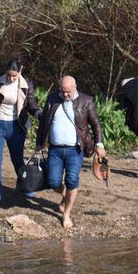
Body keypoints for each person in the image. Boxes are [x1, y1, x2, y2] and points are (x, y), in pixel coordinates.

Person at [33, 76, 106, 229]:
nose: (65, 94)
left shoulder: (86, 101)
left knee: (72, 180)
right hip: (55, 149)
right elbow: (44, 122)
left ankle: (66, 214)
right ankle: (67, 196)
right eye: (62, 91)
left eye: (68, 92)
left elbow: (96, 124)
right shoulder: (52, 98)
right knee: (53, 181)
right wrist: (39, 144)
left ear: (75, 87)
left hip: (76, 149)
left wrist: (99, 144)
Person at [0, 60, 42, 205]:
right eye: (9, 75)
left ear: (20, 72)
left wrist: (39, 113)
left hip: (16, 126)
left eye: (14, 76)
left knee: (17, 160)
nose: (11, 78)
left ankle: (25, 187)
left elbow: (31, 104)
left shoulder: (26, 85)